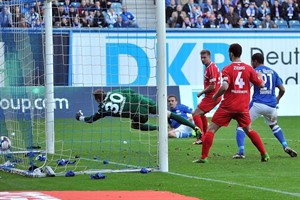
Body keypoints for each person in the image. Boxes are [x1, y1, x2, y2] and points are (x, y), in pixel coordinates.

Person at [193, 43, 270, 163]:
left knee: (211, 129)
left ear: (231, 53)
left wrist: (215, 96)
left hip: (228, 106)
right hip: (243, 106)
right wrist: (259, 76)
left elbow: (224, 86)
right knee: (249, 130)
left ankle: (203, 157)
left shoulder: (227, 69)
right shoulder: (249, 68)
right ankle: (264, 154)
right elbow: (261, 84)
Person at [233, 53, 297, 159]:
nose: (251, 63)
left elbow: (248, 87)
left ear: (255, 61)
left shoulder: (255, 72)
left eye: (252, 61)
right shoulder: (273, 72)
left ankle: (241, 151)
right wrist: (277, 100)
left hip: (257, 104)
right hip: (271, 106)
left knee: (240, 125)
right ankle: (285, 145)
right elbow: (282, 89)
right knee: (274, 125)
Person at [76, 88, 201, 137]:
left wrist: (80, 117)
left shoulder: (103, 109)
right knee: (167, 113)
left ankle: (159, 128)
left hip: (138, 113)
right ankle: (194, 128)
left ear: (98, 99)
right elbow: (129, 90)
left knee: (134, 125)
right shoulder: (114, 93)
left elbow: (91, 119)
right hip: (143, 100)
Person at [192, 50, 221, 145]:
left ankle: (200, 137)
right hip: (212, 96)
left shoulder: (211, 68)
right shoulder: (209, 67)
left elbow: (212, 86)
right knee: (201, 114)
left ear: (209, 57)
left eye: (205, 57)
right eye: (201, 58)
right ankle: (204, 136)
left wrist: (201, 92)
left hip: (212, 96)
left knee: (195, 114)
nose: (203, 59)